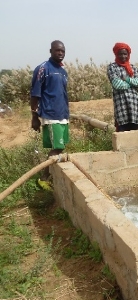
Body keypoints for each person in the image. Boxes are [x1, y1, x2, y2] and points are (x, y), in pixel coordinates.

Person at [30, 40, 69, 191]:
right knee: (57, 147)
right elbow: (35, 94)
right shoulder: (43, 68)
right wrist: (34, 117)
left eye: (63, 51)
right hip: (51, 114)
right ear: (50, 51)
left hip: (63, 114)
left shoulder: (62, 71)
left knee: (60, 146)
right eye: (57, 50)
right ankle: (43, 178)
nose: (60, 53)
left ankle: (53, 175)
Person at [107, 43, 138, 132]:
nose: (123, 56)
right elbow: (117, 84)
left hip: (134, 107)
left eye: (125, 54)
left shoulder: (133, 68)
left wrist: (127, 79)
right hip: (121, 107)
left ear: (128, 54)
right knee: (122, 134)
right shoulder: (112, 67)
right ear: (116, 54)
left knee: (135, 134)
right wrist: (133, 84)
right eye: (120, 54)